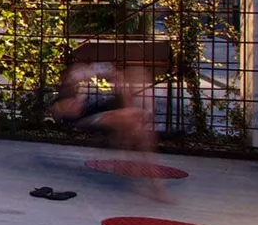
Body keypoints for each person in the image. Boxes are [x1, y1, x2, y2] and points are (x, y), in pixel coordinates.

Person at [50, 62, 171, 202]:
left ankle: (128, 147)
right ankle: (155, 184)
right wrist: (82, 90)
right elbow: (72, 112)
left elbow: (116, 94)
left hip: (107, 111)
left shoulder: (86, 85)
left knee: (137, 124)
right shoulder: (64, 97)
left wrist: (116, 79)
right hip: (91, 118)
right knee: (135, 120)